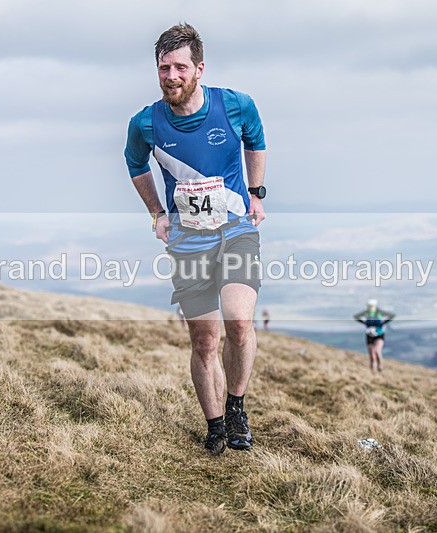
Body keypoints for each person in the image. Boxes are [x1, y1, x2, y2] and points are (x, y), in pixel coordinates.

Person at [125, 23, 267, 456]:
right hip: (187, 240)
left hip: (236, 229)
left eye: (180, 67)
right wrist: (156, 214)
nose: (171, 76)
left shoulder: (236, 105)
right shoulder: (145, 122)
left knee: (239, 322)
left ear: (199, 68)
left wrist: (257, 193)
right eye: (163, 68)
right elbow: (134, 164)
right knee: (204, 339)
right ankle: (215, 425)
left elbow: (256, 141)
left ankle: (237, 405)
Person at [354, 299, 395, 373]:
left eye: (372, 306)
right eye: (369, 306)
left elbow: (392, 315)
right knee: (372, 355)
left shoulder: (379, 312)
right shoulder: (366, 313)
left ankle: (380, 365)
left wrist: (383, 323)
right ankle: (372, 371)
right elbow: (356, 316)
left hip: (379, 334)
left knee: (377, 350)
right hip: (369, 335)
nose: (371, 308)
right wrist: (364, 322)